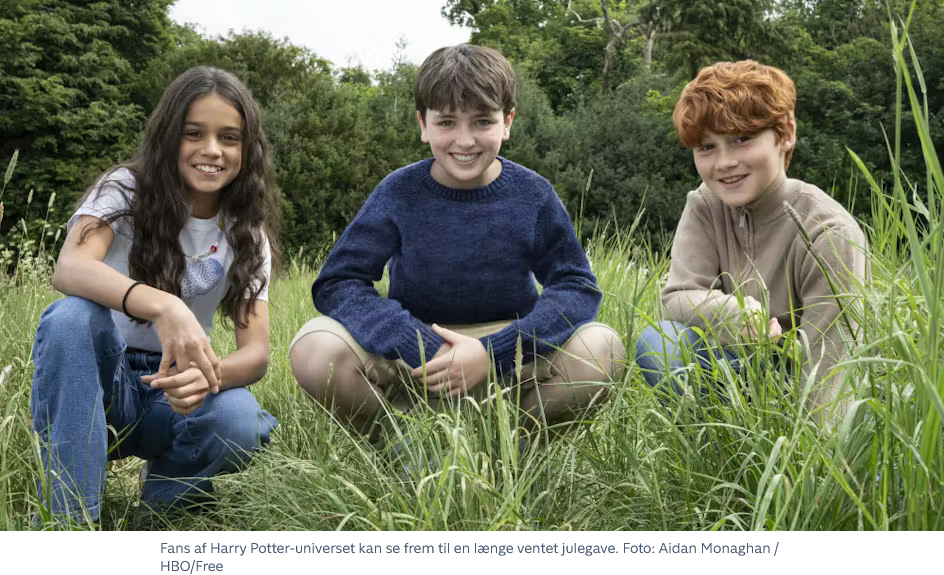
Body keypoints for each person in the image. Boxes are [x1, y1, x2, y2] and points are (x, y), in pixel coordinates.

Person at [289, 44, 626, 449]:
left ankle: (511, 451)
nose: (465, 141)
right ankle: (404, 451)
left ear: (507, 122)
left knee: (603, 347)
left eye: (482, 121)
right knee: (314, 347)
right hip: (414, 361)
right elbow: (338, 282)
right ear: (423, 124)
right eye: (447, 122)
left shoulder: (533, 194)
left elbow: (576, 285)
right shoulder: (399, 192)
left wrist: (494, 353)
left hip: (509, 361)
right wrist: (416, 343)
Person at [30, 67, 280, 526]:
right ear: (168, 135)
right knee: (70, 318)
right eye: (193, 133)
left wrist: (209, 376)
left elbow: (257, 354)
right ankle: (69, 523)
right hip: (100, 377)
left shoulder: (248, 234)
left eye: (229, 137)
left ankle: (162, 517)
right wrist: (165, 305)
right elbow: (69, 267)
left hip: (176, 389)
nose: (212, 150)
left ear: (248, 148)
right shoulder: (124, 189)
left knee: (240, 417)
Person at [634, 60, 868, 424]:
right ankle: (712, 446)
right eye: (707, 147)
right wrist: (734, 314)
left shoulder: (829, 230)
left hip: (799, 377)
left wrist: (815, 447)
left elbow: (832, 361)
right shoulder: (705, 205)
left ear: (786, 133)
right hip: (730, 363)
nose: (724, 162)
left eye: (742, 139)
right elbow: (678, 295)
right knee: (658, 342)